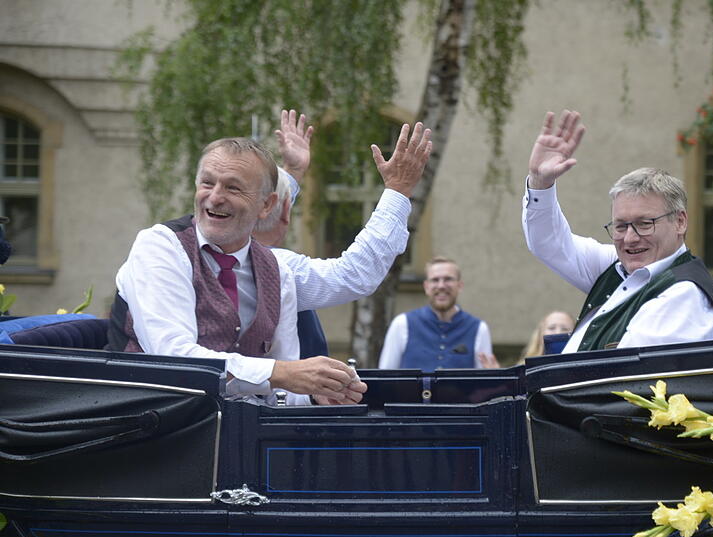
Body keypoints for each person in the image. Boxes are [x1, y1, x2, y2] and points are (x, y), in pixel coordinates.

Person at [108, 120, 433, 405]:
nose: (215, 196)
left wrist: (314, 395)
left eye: (232, 187)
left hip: (240, 437)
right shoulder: (160, 246)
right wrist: (286, 373)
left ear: (267, 206)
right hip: (154, 432)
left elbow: (282, 385)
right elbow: (173, 359)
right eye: (207, 183)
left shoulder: (277, 269)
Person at [522, 110, 713, 354]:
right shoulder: (617, 266)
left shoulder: (684, 295)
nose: (630, 238)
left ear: (680, 222)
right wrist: (539, 182)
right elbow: (550, 244)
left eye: (644, 224)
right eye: (620, 226)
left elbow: (623, 378)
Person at [253, 110, 327, 358]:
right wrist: (398, 191)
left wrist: (293, 171)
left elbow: (271, 204)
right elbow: (356, 276)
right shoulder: (277, 265)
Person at [378, 256, 497, 371]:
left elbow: (485, 383)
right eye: (435, 280)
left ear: (460, 286)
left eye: (448, 279)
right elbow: (385, 377)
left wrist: (497, 379)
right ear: (426, 286)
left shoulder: (479, 329)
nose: (441, 286)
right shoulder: (402, 324)